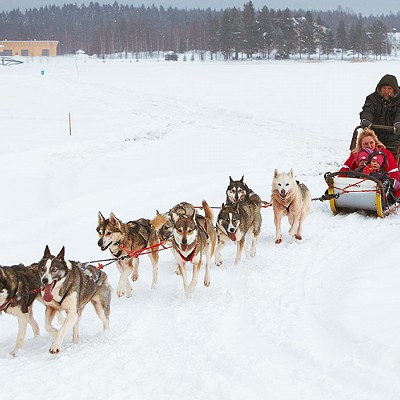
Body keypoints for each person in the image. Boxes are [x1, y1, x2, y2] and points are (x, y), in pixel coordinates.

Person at [340, 129, 400, 198]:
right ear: (361, 145)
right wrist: (339, 182)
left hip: (380, 183)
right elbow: (346, 168)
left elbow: (393, 171)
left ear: (375, 142)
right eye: (366, 144)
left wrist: (389, 185)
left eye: (371, 143)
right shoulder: (355, 154)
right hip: (358, 183)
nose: (369, 146)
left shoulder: (385, 153)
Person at [360, 74, 400, 154]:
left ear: (394, 90)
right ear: (380, 88)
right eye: (384, 88)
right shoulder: (372, 98)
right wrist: (366, 120)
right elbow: (368, 110)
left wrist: (398, 123)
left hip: (394, 135)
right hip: (375, 134)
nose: (386, 91)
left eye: (389, 89)